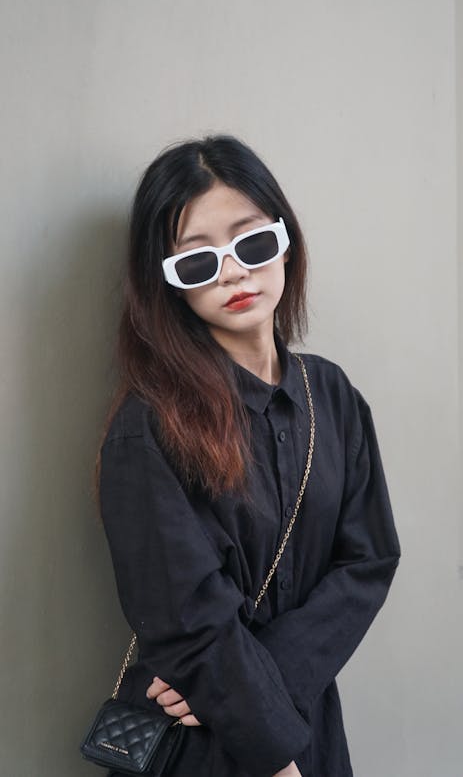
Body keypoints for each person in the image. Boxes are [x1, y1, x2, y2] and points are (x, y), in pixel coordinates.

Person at [97, 134, 401, 777]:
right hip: (202, 745)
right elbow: (185, 614)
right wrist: (271, 752)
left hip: (300, 719)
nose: (233, 271)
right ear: (169, 284)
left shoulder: (334, 396)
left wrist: (271, 687)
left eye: (252, 243)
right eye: (197, 261)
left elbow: (367, 560)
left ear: (284, 240)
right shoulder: (148, 424)